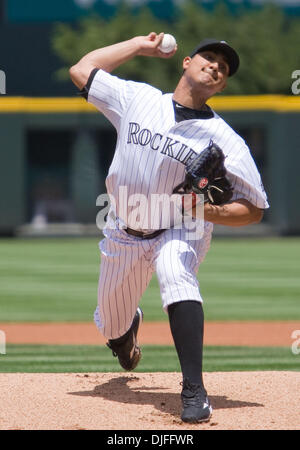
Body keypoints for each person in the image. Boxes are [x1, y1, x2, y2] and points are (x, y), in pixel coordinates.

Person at [69, 32, 269, 423]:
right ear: (187, 62)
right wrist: (139, 46)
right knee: (111, 323)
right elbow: (81, 70)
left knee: (176, 273)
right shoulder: (138, 99)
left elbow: (253, 209)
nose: (214, 65)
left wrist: (203, 210)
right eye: (209, 57)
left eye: (223, 67)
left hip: (180, 228)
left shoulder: (226, 140)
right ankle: (124, 335)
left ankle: (194, 389)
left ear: (222, 85)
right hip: (123, 232)